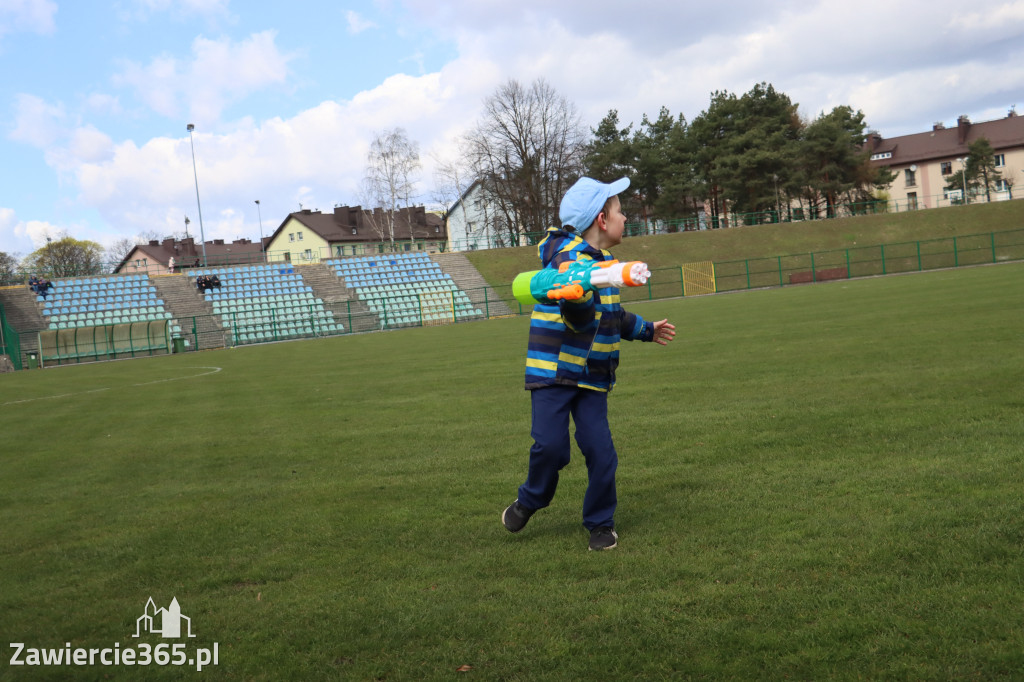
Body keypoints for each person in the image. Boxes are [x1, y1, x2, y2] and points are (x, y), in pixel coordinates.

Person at [502, 176, 675, 551]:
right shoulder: (567, 260)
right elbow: (580, 317)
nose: (625, 217)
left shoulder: (605, 266)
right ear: (601, 219)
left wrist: (645, 329)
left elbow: (611, 315)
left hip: (592, 377)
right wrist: (577, 299)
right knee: (551, 449)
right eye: (619, 210)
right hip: (553, 374)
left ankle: (600, 522)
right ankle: (531, 498)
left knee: (601, 452)